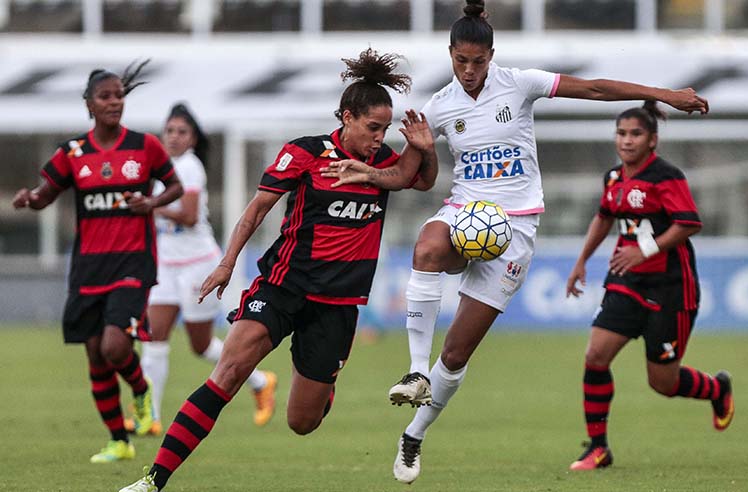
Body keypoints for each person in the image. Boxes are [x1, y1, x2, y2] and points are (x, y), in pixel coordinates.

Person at [320, 0, 709, 483]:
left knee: (459, 355)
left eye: (477, 61)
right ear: (450, 54)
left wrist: (665, 95)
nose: (467, 70)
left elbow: (594, 88)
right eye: (459, 60)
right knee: (427, 247)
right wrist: (389, 162)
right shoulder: (441, 106)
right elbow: (410, 176)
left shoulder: (518, 84)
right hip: (466, 212)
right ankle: (416, 370)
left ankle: (414, 434)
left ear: (491, 55)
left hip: (516, 227)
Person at [119, 47, 437, 492]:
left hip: (337, 305)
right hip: (283, 287)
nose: (380, 138)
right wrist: (228, 263)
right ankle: (154, 479)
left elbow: (420, 178)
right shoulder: (305, 153)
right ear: (347, 117)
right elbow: (256, 210)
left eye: (385, 130)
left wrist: (426, 149)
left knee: (302, 423)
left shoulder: (382, 164)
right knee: (227, 374)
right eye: (372, 127)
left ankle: (322, 382)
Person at [11, 61, 183, 463]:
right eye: (105, 97)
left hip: (131, 263)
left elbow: (174, 185)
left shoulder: (144, 146)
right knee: (93, 352)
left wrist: (153, 201)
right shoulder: (73, 152)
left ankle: (141, 392)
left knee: (113, 345)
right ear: (89, 104)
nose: (114, 103)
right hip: (88, 267)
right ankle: (118, 439)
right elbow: (45, 194)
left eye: (119, 96)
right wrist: (29, 199)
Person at [564, 101, 733, 470]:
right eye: (621, 133)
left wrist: (645, 251)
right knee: (595, 356)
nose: (626, 141)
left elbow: (688, 223)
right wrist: (581, 262)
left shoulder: (666, 177)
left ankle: (718, 389)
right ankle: (598, 447)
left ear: (652, 140)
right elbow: (604, 216)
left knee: (663, 383)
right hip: (626, 282)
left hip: (670, 287)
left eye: (635, 133)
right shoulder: (613, 178)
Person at [125, 103, 278, 437]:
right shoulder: (158, 167)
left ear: (193, 138)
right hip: (166, 264)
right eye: (170, 131)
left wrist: (150, 207)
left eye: (182, 132)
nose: (174, 137)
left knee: (201, 344)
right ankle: (149, 417)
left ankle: (260, 380)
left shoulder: (190, 167)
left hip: (197, 264)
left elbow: (190, 216)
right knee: (153, 338)